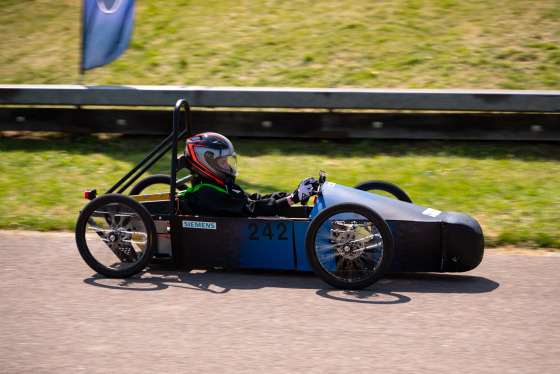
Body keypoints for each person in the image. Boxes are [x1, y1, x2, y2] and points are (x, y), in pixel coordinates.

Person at [178, 132, 317, 217]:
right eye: (222, 163)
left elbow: (256, 199)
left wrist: (293, 193)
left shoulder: (222, 187)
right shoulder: (207, 195)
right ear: (205, 165)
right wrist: (291, 199)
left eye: (227, 161)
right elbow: (249, 210)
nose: (227, 167)